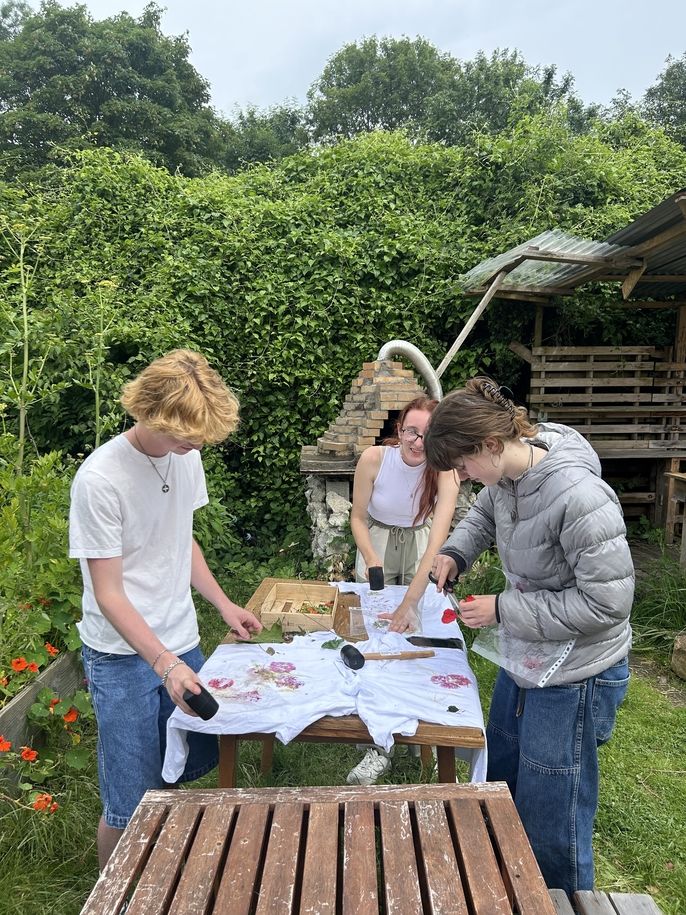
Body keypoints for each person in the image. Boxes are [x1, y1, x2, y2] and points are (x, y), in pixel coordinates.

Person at [424, 376, 633, 898]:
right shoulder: (504, 478)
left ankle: (558, 900)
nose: (463, 478)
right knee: (505, 772)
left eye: (464, 465)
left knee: (552, 805)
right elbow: (483, 515)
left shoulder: (580, 497)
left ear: (493, 444)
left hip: (577, 671)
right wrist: (455, 553)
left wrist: (503, 607)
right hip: (529, 656)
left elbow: (608, 604)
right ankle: (508, 887)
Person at [69, 349, 261, 868]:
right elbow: (107, 592)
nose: (197, 445)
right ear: (152, 414)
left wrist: (222, 604)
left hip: (181, 641)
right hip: (121, 657)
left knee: (182, 767)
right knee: (129, 799)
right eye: (187, 435)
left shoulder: (185, 456)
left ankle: (167, 874)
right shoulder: (100, 480)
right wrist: (164, 664)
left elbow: (183, 540)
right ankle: (114, 895)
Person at [346, 395, 460, 784]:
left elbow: (436, 545)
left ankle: (414, 726)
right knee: (372, 639)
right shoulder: (374, 460)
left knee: (414, 636)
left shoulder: (444, 472)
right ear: (400, 430)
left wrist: (411, 602)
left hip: (419, 548)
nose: (417, 442)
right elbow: (358, 518)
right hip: (377, 541)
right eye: (411, 431)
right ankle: (373, 744)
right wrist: (371, 559)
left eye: (427, 435)